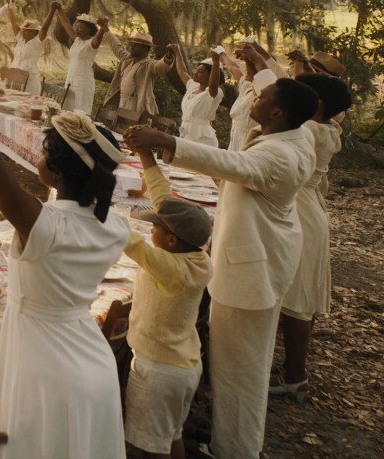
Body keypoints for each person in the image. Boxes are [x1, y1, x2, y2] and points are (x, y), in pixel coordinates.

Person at [0, 27, 130, 459]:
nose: (38, 158)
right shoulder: (115, 226)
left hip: (45, 370)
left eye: (46, 153)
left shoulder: (44, 227)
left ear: (63, 173)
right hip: (91, 362)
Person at [123, 70, 319, 459]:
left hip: (252, 273)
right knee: (238, 367)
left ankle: (236, 450)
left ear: (278, 114)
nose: (253, 98)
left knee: (240, 373)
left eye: (261, 96)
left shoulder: (281, 156)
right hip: (261, 259)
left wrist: (167, 140)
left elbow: (231, 164)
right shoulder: (297, 133)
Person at [120, 142, 213, 459]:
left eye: (154, 228)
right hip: (185, 366)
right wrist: (146, 155)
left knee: (147, 447)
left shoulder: (171, 269)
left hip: (158, 372)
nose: (150, 231)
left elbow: (131, 243)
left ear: (170, 240)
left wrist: (95, 201)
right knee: (172, 437)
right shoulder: (197, 257)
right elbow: (162, 197)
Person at [272, 72, 353, 400]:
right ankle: (294, 368)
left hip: (302, 212)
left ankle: (295, 375)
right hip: (311, 209)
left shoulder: (306, 130)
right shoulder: (331, 128)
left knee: (296, 301)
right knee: (302, 297)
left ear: (316, 104)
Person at [104, 31, 176, 118]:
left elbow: (161, 66)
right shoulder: (127, 59)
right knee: (120, 127)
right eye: (132, 45)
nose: (132, 48)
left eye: (136, 46)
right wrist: (106, 31)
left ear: (145, 49)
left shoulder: (150, 65)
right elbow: (116, 46)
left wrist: (168, 56)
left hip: (138, 105)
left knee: (134, 129)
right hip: (122, 102)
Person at [53, 9, 109, 113]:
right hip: (71, 79)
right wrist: (59, 9)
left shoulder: (91, 44)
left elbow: (99, 37)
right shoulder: (76, 40)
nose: (77, 29)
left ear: (88, 29)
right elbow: (65, 23)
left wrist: (103, 27)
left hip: (83, 82)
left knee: (79, 111)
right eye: (76, 27)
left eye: (80, 27)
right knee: (66, 110)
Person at [173, 48, 223, 147]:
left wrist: (216, 61)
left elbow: (213, 85)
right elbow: (182, 72)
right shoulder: (193, 86)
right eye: (196, 70)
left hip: (203, 140)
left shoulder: (213, 93)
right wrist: (177, 52)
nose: (195, 73)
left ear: (211, 76)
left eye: (200, 72)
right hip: (186, 135)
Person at [5, 3, 56, 93]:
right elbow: (13, 22)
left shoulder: (37, 41)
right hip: (15, 78)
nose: (24, 32)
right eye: (23, 30)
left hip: (30, 79)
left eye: (27, 31)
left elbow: (44, 28)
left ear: (34, 32)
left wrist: (52, 10)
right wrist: (10, 6)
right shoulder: (20, 39)